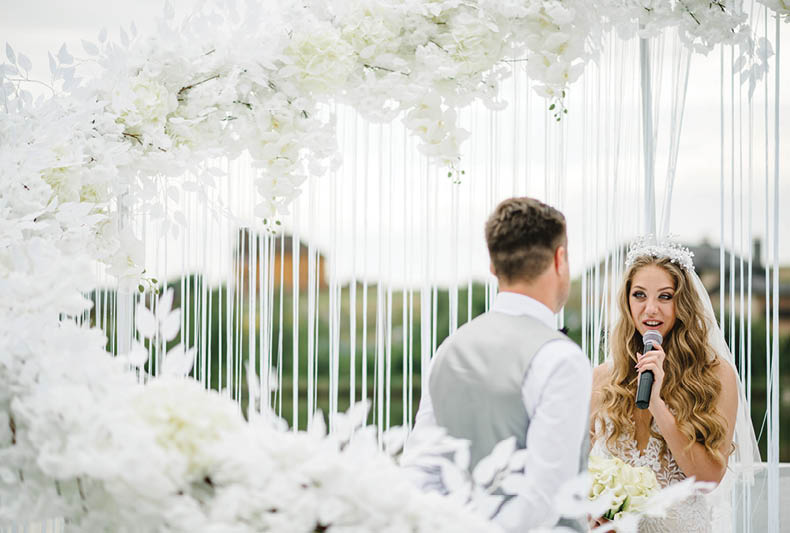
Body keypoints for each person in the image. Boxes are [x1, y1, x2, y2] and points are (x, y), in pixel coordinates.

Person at [403, 197, 592, 532]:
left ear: (493, 265)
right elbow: (545, 497)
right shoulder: (562, 360)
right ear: (559, 259)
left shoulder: (449, 349)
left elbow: (420, 470)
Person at [589, 237, 760, 532]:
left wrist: (657, 404)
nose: (650, 309)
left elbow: (708, 480)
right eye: (639, 295)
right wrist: (593, 513)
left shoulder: (716, 376)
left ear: (682, 303)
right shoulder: (602, 378)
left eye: (665, 297)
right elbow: (574, 472)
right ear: (627, 302)